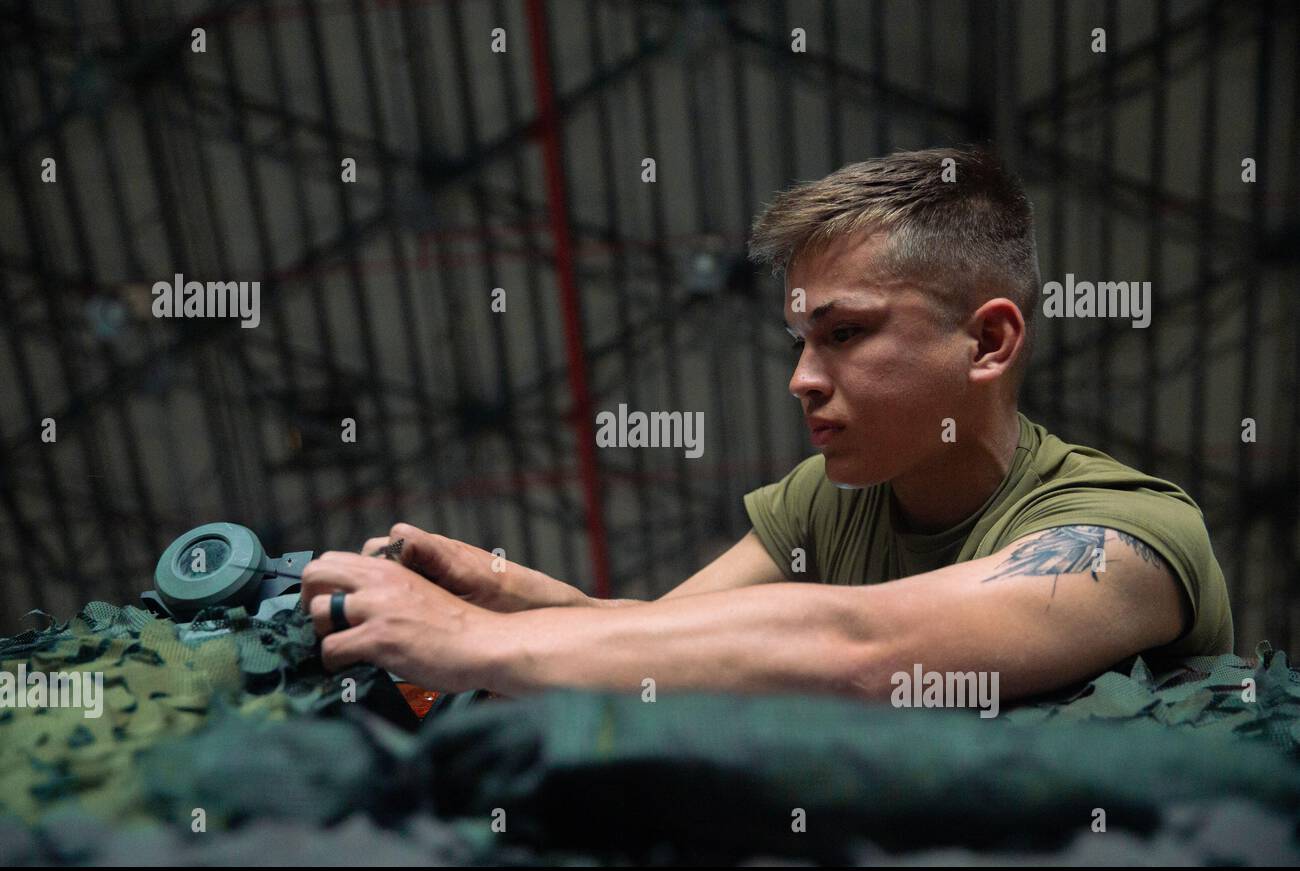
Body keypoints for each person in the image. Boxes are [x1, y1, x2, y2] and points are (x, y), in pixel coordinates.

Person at [299, 146, 1234, 707]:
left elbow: (861, 651)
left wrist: (467, 644)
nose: (801, 379)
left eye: (845, 333)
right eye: (799, 339)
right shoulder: (827, 499)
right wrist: (504, 593)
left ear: (987, 342)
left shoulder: (1129, 537)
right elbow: (662, 649)